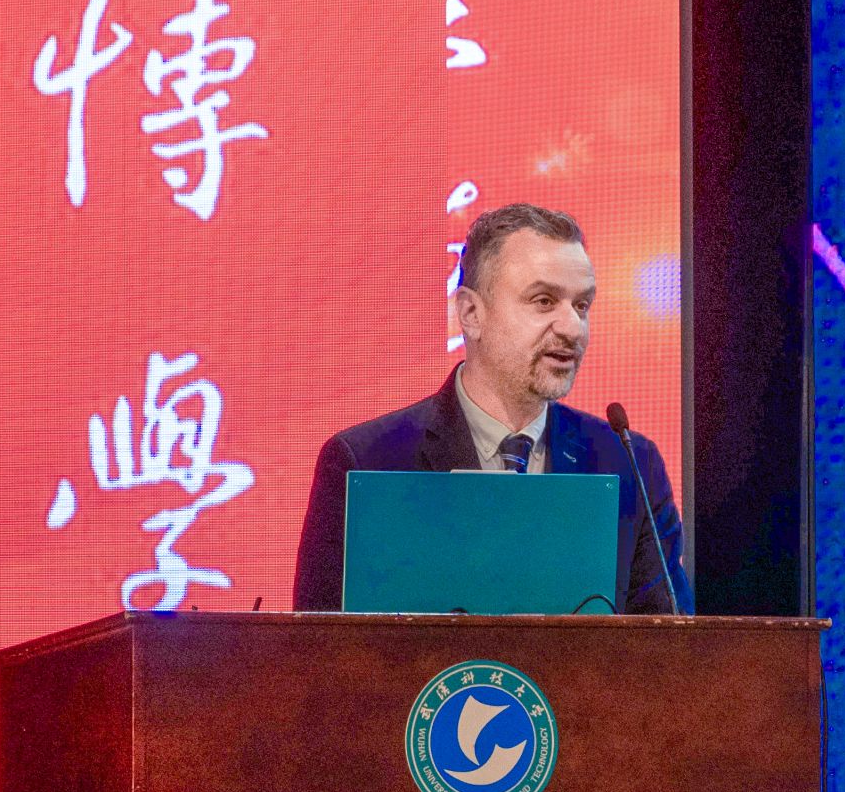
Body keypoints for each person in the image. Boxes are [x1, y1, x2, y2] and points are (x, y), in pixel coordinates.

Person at [292, 203, 692, 613]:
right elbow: (319, 645)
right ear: (471, 313)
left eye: (582, 305)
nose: (573, 328)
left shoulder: (630, 464)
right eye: (544, 301)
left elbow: (670, 643)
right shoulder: (366, 462)